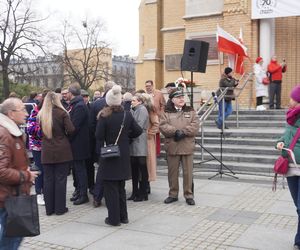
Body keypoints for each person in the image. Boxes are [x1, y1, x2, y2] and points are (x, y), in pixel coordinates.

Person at [96, 85, 142, 226]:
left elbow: (98, 136)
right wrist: (125, 139)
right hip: (123, 155)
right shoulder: (127, 115)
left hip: (109, 155)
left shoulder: (104, 116)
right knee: (121, 187)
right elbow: (138, 131)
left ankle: (114, 219)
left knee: (111, 189)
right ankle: (124, 216)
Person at [0, 97, 38, 249]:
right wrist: (26, 175)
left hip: (14, 196)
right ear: (10, 113)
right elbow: (1, 171)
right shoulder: (4, 135)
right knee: (11, 242)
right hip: (9, 199)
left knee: (13, 239)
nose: (26, 113)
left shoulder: (11, 131)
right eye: (22, 109)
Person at [159, 88, 200, 206]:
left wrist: (183, 132)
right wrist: (175, 131)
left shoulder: (191, 111)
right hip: (172, 146)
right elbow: (162, 125)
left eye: (182, 97)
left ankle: (189, 195)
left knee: (188, 173)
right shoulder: (166, 112)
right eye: (178, 97)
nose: (182, 99)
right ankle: (173, 194)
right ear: (172, 100)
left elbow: (196, 125)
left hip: (187, 146)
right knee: (172, 172)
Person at [38, 92, 75, 215]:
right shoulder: (62, 113)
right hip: (61, 150)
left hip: (47, 150)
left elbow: (37, 133)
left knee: (47, 180)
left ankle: (49, 209)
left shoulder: (41, 114)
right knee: (60, 180)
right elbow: (71, 129)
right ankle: (60, 208)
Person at [276, 85, 300, 249]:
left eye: (292, 98)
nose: (289, 100)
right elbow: (285, 136)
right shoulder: (290, 117)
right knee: (298, 207)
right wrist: (279, 142)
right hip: (291, 169)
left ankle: (298, 240)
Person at [90, 81, 115, 207]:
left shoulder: (95, 104)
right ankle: (111, 195)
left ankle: (97, 196)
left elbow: (92, 126)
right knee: (113, 171)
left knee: (101, 170)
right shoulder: (119, 107)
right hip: (115, 144)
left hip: (101, 143)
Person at [68, 83, 90, 205]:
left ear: (71, 93)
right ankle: (79, 192)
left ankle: (83, 194)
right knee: (77, 170)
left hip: (79, 144)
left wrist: (68, 137)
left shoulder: (79, 106)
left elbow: (74, 127)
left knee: (80, 170)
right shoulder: (78, 104)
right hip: (78, 143)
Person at [27, 90, 49, 206]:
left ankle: (46, 192)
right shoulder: (35, 111)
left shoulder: (52, 111)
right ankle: (39, 193)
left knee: (47, 170)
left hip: (49, 146)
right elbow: (30, 129)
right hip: (37, 146)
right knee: (40, 169)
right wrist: (43, 130)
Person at [128, 93, 149, 202]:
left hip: (140, 139)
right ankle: (134, 191)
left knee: (142, 165)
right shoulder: (132, 110)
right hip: (133, 140)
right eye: (131, 101)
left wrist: (130, 133)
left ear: (140, 101)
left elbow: (139, 126)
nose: (132, 102)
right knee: (134, 167)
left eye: (134, 101)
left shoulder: (142, 110)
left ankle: (143, 192)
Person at [142, 93, 159, 189]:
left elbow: (156, 124)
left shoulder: (151, 110)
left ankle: (147, 184)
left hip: (148, 140)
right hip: (141, 139)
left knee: (148, 162)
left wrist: (149, 134)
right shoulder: (141, 109)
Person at [145, 80, 166, 156]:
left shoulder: (159, 93)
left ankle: (157, 152)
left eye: (149, 86)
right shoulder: (144, 94)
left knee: (156, 134)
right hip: (147, 118)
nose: (148, 88)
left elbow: (163, 105)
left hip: (156, 116)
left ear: (152, 85)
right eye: (146, 86)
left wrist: (161, 114)